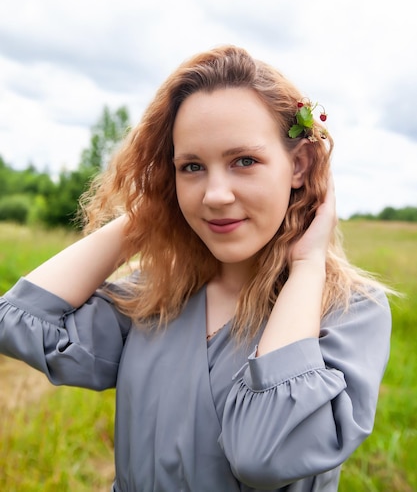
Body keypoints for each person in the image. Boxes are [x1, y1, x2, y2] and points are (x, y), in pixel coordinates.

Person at [0, 45, 392, 492]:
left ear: (299, 165)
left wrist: (306, 268)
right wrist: (149, 214)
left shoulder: (348, 313)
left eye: (244, 161)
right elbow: (20, 321)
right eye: (192, 167)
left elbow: (262, 453)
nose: (215, 194)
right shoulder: (157, 295)